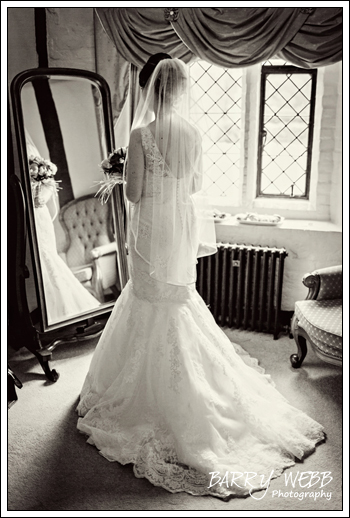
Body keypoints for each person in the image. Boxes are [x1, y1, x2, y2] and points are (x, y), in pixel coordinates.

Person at [77, 55, 325, 499]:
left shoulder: (139, 134)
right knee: (178, 298)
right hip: (179, 227)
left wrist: (123, 174)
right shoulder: (193, 133)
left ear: (154, 89)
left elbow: (133, 192)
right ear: (182, 91)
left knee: (147, 297)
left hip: (151, 227)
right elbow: (193, 187)